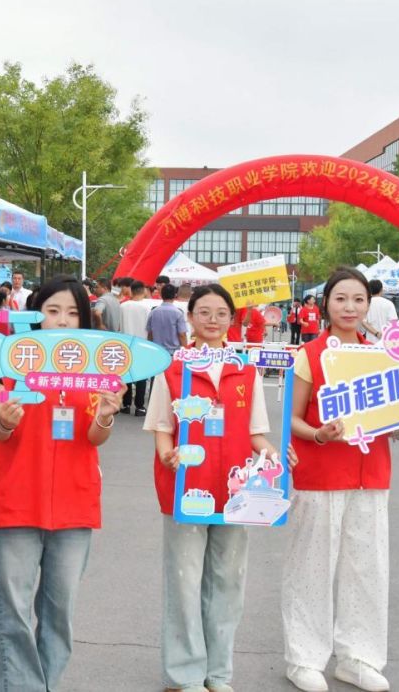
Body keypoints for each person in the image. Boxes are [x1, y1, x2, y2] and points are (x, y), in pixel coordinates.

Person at [281, 267, 399, 692]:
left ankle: (358, 657)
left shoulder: (381, 356)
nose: (349, 307)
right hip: (320, 475)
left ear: (369, 305)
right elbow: (291, 418)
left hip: (371, 476)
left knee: (367, 569)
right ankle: (304, 658)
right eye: (341, 299)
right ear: (326, 304)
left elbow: (391, 420)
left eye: (358, 300)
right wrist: (319, 434)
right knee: (311, 569)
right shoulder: (309, 354)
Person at [144, 283, 293, 692]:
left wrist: (275, 456)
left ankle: (218, 673)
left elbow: (256, 433)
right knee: (184, 580)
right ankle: (184, 674)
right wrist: (168, 455)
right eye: (204, 312)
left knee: (228, 580)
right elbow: (161, 426)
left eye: (221, 313)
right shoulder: (173, 369)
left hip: (235, 491)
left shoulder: (245, 369)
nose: (212, 320)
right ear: (190, 318)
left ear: (232, 319)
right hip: (185, 488)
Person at [0, 276, 124, 691]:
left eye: (72, 313)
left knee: (59, 614)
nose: (62, 320)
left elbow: (95, 437)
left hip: (74, 504)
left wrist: (105, 416)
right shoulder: (10, 361)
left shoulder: (96, 368)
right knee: (11, 612)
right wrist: (5, 421)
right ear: (36, 314)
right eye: (53, 311)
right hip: (17, 499)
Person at [120, 281, 154, 416]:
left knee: (126, 375)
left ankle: (126, 404)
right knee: (141, 376)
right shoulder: (147, 308)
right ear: (143, 291)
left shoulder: (123, 306)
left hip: (125, 343)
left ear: (131, 290)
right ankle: (139, 407)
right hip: (142, 344)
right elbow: (150, 329)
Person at [146, 284, 188, 353]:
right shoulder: (178, 313)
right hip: (173, 351)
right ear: (175, 295)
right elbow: (182, 334)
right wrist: (185, 350)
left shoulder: (153, 312)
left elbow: (150, 333)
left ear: (161, 295)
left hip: (157, 351)